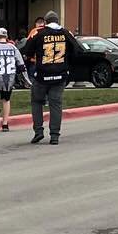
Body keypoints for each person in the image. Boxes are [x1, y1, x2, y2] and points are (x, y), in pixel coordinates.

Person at [20, 9, 85, 146]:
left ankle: (38, 131)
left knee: (37, 102)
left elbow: (27, 51)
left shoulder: (39, 34)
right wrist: (67, 63)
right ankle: (54, 135)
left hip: (41, 76)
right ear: (57, 21)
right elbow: (78, 51)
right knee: (56, 104)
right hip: (60, 76)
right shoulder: (66, 33)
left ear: (45, 22)